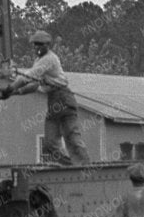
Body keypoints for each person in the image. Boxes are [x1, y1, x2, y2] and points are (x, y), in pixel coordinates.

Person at [10, 29, 89, 165]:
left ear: (47, 46)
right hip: (53, 99)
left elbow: (29, 76)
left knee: (72, 137)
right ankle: (69, 166)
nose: (37, 47)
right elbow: (34, 84)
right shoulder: (39, 60)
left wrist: (10, 87)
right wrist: (17, 92)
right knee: (50, 143)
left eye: (40, 45)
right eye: (35, 44)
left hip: (63, 98)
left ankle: (85, 166)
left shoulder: (49, 59)